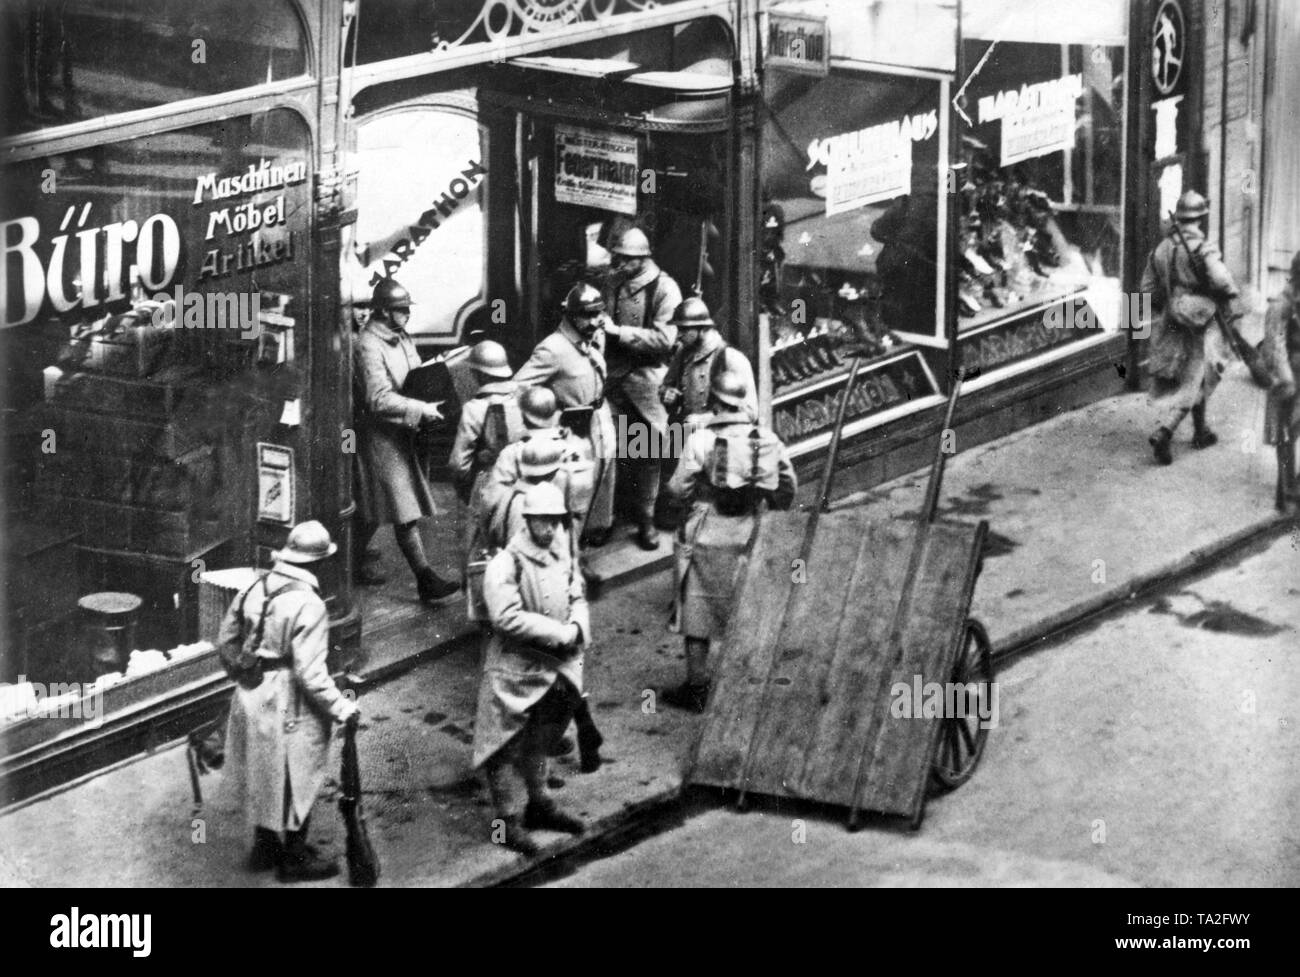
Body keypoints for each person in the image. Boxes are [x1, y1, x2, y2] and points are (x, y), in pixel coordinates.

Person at [220, 520, 360, 882]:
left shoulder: (256, 585)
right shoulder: (309, 604)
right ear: (318, 562)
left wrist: (242, 671)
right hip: (289, 699)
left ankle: (264, 847)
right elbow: (311, 674)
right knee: (300, 770)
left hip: (251, 694)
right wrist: (342, 707)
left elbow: (226, 638)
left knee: (264, 770)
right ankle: (294, 858)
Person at [661, 371, 797, 712]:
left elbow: (678, 488)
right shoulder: (767, 438)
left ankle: (696, 687)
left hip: (708, 531)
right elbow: (788, 486)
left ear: (717, 402)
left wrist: (688, 505)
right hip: (752, 531)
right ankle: (749, 682)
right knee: (751, 605)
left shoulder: (700, 439)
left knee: (696, 611)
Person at [472, 482, 589, 855]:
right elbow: (507, 617)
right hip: (514, 669)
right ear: (527, 520)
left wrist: (577, 628)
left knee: (542, 737)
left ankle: (539, 804)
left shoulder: (561, 555)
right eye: (543, 521)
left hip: (555, 666)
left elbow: (577, 593)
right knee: (504, 746)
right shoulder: (505, 563)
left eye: (555, 521)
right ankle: (505, 822)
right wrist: (558, 632)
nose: (551, 529)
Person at [353, 277, 459, 600]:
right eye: (401, 310)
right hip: (382, 438)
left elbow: (412, 375)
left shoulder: (400, 336)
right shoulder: (368, 345)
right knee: (403, 509)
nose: (406, 316)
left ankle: (349, 557)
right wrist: (419, 408)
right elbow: (378, 399)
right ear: (384, 311)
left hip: (405, 434)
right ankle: (425, 578)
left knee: (375, 508)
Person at [1141, 190, 1241, 465]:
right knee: (1205, 371)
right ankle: (1166, 430)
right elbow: (1223, 282)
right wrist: (1227, 295)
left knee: (1194, 372)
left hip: (1174, 314)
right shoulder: (1202, 248)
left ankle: (1200, 430)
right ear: (1201, 218)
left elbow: (1146, 287)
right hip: (1202, 317)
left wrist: (1168, 306)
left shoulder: (1162, 248)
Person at [513, 282, 616, 547]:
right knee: (575, 496)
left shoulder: (594, 337)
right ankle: (571, 554)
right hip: (574, 429)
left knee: (601, 483)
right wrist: (550, 416)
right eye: (587, 315)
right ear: (569, 315)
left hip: (600, 419)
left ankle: (585, 544)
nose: (595, 321)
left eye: (598, 313)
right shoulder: (552, 349)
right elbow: (519, 388)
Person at [602, 226, 683, 550]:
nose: (618, 264)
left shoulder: (665, 288)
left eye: (624, 259)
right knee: (608, 449)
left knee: (649, 453)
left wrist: (619, 332)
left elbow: (666, 339)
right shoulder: (613, 282)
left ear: (640, 259)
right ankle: (604, 519)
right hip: (613, 379)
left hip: (647, 380)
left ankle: (646, 519)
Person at [448, 340, 525, 570]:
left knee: (479, 551)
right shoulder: (525, 396)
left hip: (488, 483)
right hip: (524, 480)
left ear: (479, 374)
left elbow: (457, 464)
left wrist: (465, 488)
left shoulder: (474, 408)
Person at [1261, 250, 1300, 506]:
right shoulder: (1282, 304)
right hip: (1289, 375)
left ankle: (1291, 479)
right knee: (1286, 428)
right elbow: (1274, 345)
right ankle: (1287, 483)